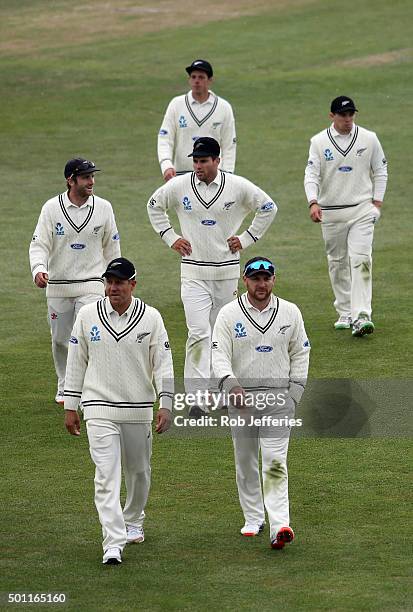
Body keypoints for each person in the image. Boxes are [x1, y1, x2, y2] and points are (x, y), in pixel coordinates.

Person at [147, 137, 277, 414]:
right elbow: (153, 205)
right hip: (193, 272)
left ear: (217, 161)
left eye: (204, 161)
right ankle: (196, 398)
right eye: (195, 160)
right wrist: (170, 237)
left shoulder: (237, 186)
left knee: (219, 334)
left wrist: (247, 238)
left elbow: (268, 207)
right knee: (197, 332)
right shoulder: (180, 185)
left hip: (226, 274)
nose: (198, 166)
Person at [64, 257, 174, 565]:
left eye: (120, 282)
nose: (113, 288)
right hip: (98, 408)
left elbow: (163, 364)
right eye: (109, 282)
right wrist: (72, 405)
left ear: (133, 285)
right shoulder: (87, 316)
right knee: (106, 477)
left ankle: (134, 519)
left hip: (139, 409)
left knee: (138, 473)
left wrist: (165, 402)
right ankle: (112, 543)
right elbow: (76, 361)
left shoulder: (151, 318)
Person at [212, 257, 310, 549]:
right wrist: (231, 384)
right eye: (256, 279)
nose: (261, 284)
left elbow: (301, 352)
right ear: (245, 280)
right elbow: (219, 355)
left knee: (275, 461)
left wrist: (294, 394)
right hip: (242, 400)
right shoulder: (229, 314)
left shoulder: (290, 312)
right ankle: (253, 517)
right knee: (245, 459)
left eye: (266, 278)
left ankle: (280, 525)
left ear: (273, 280)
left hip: (279, 399)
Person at [29, 158, 121, 403]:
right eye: (85, 177)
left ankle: (85, 389)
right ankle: (64, 384)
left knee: (86, 336)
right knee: (60, 340)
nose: (91, 181)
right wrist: (38, 269)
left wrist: (115, 281)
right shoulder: (51, 208)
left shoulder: (104, 207)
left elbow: (112, 247)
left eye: (93, 176)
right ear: (71, 180)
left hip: (92, 284)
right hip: (58, 285)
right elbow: (39, 244)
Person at [304, 96, 388, 336]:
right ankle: (345, 311)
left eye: (351, 114)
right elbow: (311, 175)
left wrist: (377, 203)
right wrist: (313, 202)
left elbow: (380, 170)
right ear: (332, 116)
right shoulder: (319, 142)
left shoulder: (369, 138)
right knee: (337, 262)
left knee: (361, 258)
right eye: (343, 115)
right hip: (331, 213)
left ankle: (362, 314)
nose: (348, 119)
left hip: (362, 209)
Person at [157, 59, 236, 181]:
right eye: (193, 77)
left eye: (201, 77)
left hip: (213, 177)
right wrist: (166, 165)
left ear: (210, 80)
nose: (196, 81)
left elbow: (229, 145)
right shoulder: (176, 104)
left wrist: (228, 174)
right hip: (181, 176)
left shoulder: (223, 107)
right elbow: (165, 138)